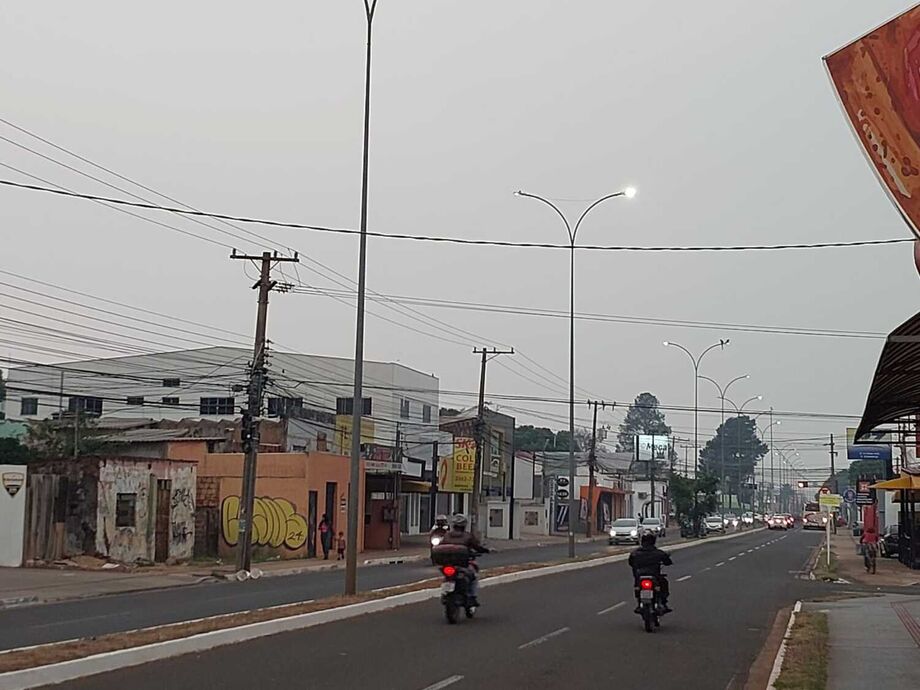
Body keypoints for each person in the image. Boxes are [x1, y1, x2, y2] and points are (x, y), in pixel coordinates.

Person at [439, 514, 489, 606]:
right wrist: (485, 550)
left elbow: (440, 546)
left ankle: (444, 593)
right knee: (474, 576)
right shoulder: (468, 536)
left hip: (448, 563)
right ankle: (472, 596)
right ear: (464, 525)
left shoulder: (446, 536)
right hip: (463, 564)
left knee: (446, 577)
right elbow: (477, 547)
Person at [628, 531, 673, 614]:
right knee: (663, 583)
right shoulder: (658, 553)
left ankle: (639, 603)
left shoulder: (635, 553)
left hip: (640, 575)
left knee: (637, 586)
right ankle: (663, 603)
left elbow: (630, 563)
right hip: (654, 575)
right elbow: (668, 562)